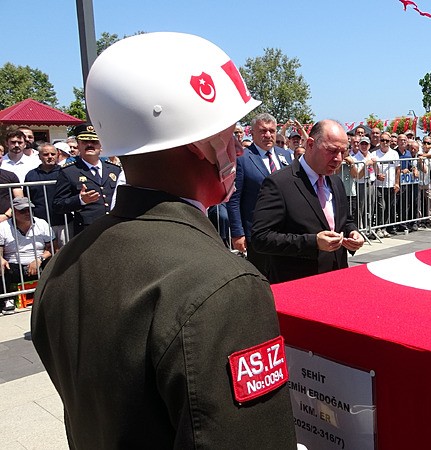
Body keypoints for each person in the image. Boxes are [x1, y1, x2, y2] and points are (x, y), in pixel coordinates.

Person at [31, 32, 296, 448]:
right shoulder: (224, 285)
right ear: (200, 143)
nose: (238, 149)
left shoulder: (64, 265)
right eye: (230, 133)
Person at [250, 119, 364, 283]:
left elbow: (344, 220)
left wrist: (352, 233)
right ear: (310, 144)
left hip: (338, 277)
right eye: (332, 151)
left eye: (343, 152)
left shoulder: (336, 182)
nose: (339, 159)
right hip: (299, 284)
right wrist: (313, 242)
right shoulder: (279, 183)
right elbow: (261, 238)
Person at [226, 113, 293, 274]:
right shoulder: (242, 159)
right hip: (257, 233)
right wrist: (237, 233)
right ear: (253, 133)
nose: (268, 135)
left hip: (286, 231)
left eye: (271, 130)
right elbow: (234, 199)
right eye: (263, 131)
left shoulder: (285, 156)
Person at [52, 123, 122, 235]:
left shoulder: (114, 169)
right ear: (78, 145)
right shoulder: (69, 171)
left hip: (115, 227)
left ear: (101, 146)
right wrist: (80, 200)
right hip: (87, 230)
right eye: (85, 142)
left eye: (94, 142)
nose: (90, 145)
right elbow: (58, 205)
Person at [1, 197, 54, 313]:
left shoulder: (42, 223)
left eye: (29, 210)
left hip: (39, 261)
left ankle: (52, 295)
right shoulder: (3, 227)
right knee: (2, 266)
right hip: (14, 265)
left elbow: (54, 248)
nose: (27, 213)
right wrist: (1, 259)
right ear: (13, 212)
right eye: (22, 211)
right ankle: (7, 298)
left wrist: (39, 259)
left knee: (53, 263)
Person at [24, 143, 69, 247]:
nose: (50, 157)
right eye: (46, 154)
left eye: (52, 154)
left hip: (63, 222)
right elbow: (27, 198)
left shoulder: (66, 173)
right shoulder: (31, 175)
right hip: (39, 224)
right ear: (39, 156)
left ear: (57, 155)